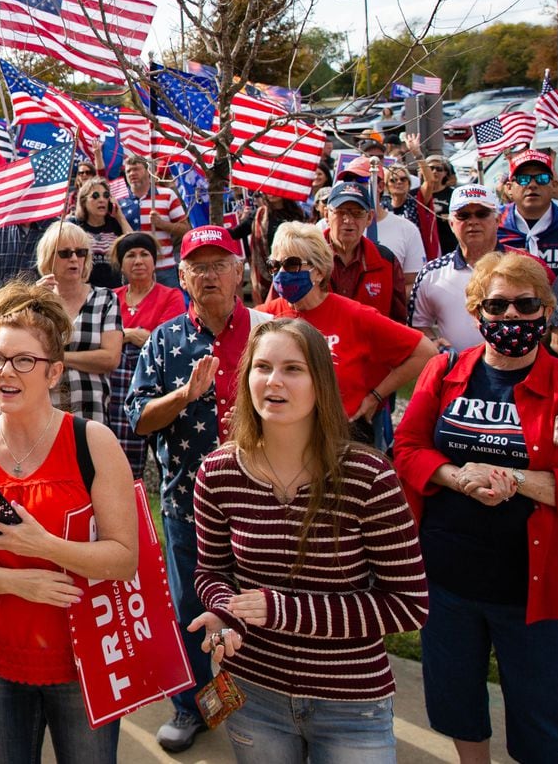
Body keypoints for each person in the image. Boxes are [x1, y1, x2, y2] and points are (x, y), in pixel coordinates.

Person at [191, 318, 428, 763]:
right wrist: (225, 611)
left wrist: (282, 611)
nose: (274, 381)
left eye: (292, 369)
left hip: (350, 702)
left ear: (321, 381)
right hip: (252, 695)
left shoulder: (369, 478)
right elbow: (211, 570)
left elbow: (408, 605)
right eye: (261, 367)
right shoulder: (218, 472)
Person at [0, 282, 138, 763]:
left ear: (54, 372)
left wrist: (43, 544)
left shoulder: (93, 442)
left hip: (81, 661)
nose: (6, 372)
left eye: (24, 361)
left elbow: (124, 559)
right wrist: (14, 582)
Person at [394, 251, 558, 763]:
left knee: (547, 719)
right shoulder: (445, 370)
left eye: (525, 305)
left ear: (545, 310)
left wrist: (515, 480)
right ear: (477, 312)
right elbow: (407, 449)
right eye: (497, 306)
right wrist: (458, 478)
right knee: (455, 700)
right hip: (449, 581)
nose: (512, 317)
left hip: (537, 589)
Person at [125, 225, 272, 752]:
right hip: (188, 505)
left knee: (261, 606)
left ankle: (266, 705)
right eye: (197, 266)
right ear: (182, 276)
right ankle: (192, 705)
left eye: (219, 264)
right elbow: (138, 418)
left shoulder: (268, 330)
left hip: (266, 505)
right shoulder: (165, 341)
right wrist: (185, 396)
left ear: (240, 272)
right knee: (191, 609)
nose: (208, 275)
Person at [256, 222, 437, 448]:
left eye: (292, 265)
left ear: (319, 272)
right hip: (282, 442)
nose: (282, 273)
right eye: (275, 265)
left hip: (342, 440)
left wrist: (376, 397)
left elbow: (425, 352)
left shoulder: (353, 315)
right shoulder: (262, 318)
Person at [415, 184, 552, 354]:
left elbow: (552, 319)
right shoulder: (430, 273)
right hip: (455, 372)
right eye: (463, 216)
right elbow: (418, 325)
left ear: (497, 220)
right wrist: (434, 343)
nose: (473, 221)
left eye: (482, 214)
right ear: (451, 223)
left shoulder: (530, 266)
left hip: (522, 370)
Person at [110, 233, 185, 479]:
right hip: (119, 393)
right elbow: (105, 340)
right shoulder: (111, 297)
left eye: (145, 254)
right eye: (131, 255)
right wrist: (134, 334)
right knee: (125, 470)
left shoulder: (171, 295)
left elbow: (166, 340)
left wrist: (123, 335)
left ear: (154, 261)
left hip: (159, 386)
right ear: (121, 264)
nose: (138, 260)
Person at [36, 221, 121, 427]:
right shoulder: (38, 302)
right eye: (65, 253)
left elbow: (110, 358)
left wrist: (58, 358)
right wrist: (34, 304)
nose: (74, 259)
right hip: (45, 410)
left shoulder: (105, 299)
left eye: (80, 252)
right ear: (49, 259)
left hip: (92, 410)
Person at [319, 181, 409, 323]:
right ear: (326, 215)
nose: (348, 220)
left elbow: (398, 321)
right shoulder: (306, 256)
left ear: (369, 218)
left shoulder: (386, 261)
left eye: (357, 213)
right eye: (340, 212)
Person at [496, 147, 558, 277]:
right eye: (523, 179)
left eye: (542, 178)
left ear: (554, 185)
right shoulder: (493, 225)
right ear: (509, 188)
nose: (532, 185)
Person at [115, 154, 190, 287]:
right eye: (128, 171)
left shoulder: (167, 195)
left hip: (164, 269)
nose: (132, 173)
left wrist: (163, 224)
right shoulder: (120, 201)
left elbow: (186, 230)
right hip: (133, 270)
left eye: (136, 169)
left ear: (147, 170)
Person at [230, 192, 307, 302]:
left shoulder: (297, 214)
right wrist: (216, 232)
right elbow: (237, 232)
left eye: (275, 189)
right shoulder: (259, 215)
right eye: (268, 190)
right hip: (265, 273)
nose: (272, 193)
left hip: (291, 268)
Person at [68, 177, 131, 289]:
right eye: (95, 196)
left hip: (113, 290)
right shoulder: (74, 224)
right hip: (83, 291)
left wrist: (120, 216)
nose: (102, 200)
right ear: (83, 201)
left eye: (106, 196)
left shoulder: (115, 224)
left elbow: (133, 244)